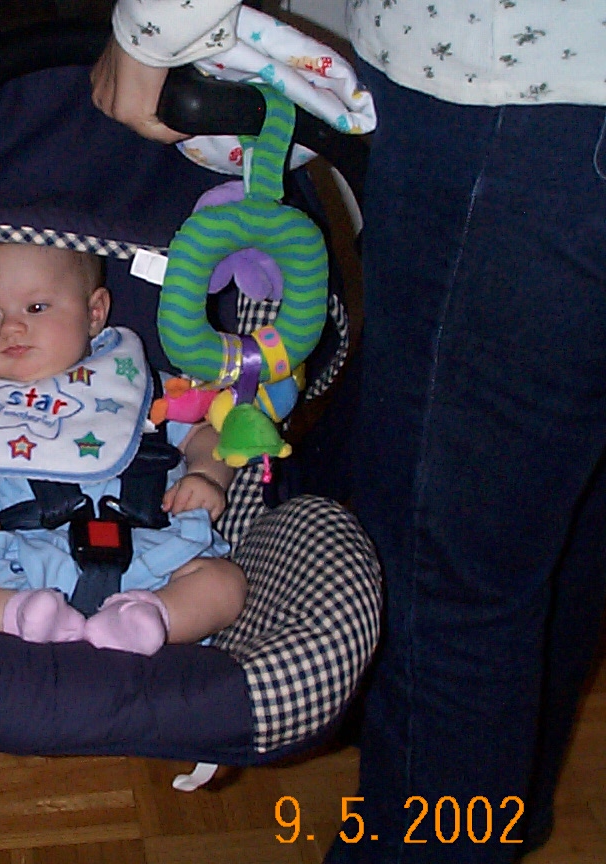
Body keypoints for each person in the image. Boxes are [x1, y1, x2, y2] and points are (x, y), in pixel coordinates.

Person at [92, 1, 606, 861]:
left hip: (524, 100)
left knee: (443, 578)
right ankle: (501, 806)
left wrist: (151, 24)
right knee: (557, 508)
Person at [0, 242, 247, 656]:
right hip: (15, 559)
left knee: (224, 584)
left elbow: (207, 433)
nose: (11, 328)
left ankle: (145, 619)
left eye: (36, 308)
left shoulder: (136, 386)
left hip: (151, 554)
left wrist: (205, 476)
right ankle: (24, 616)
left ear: (94, 313)